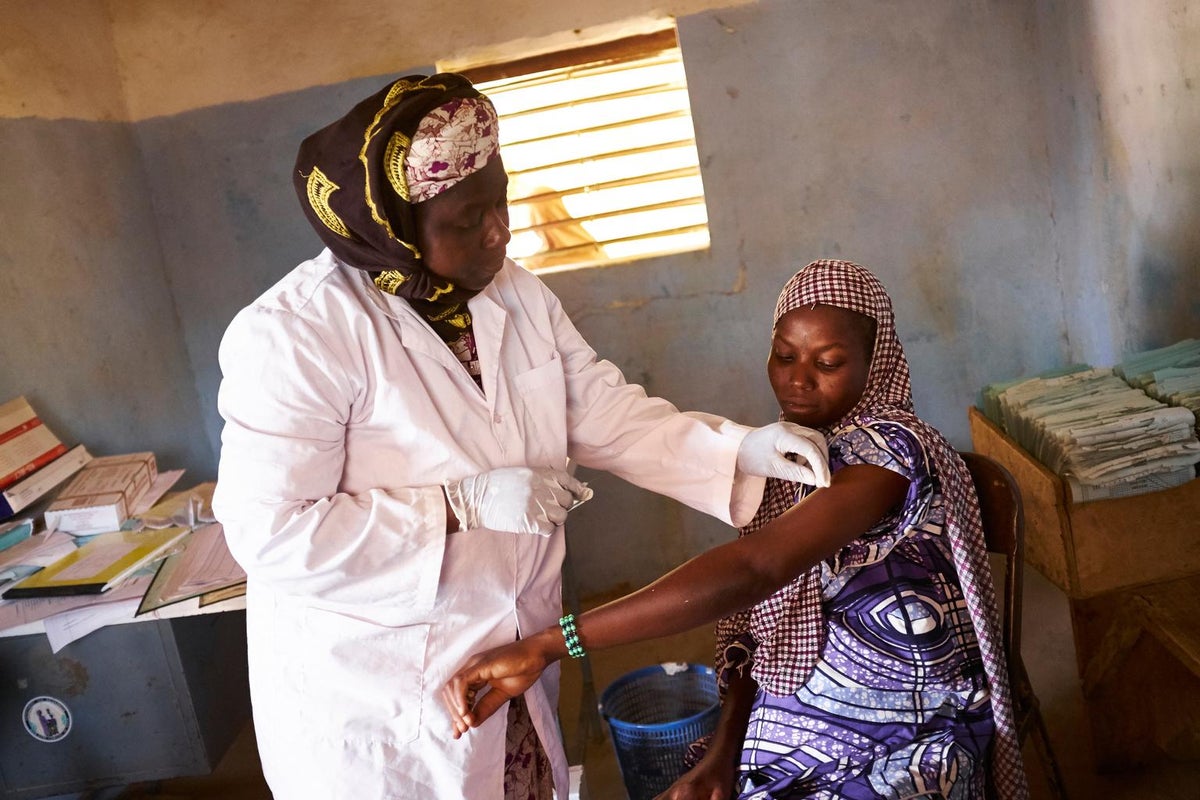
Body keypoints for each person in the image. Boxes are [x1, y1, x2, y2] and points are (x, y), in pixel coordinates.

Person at [211, 72, 831, 800]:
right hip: (381, 696)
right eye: (468, 220)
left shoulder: (512, 291)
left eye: (500, 201)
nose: (499, 231)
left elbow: (598, 408)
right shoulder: (296, 336)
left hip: (510, 658)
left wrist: (735, 448)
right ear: (398, 229)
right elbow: (271, 534)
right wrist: (458, 505)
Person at [444, 260, 1030, 800]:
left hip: (903, 721)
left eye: (827, 363)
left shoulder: (891, 455)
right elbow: (764, 633)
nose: (799, 380)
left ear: (877, 363)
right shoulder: (798, 458)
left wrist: (553, 642)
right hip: (798, 716)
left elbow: (756, 571)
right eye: (783, 356)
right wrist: (724, 751)